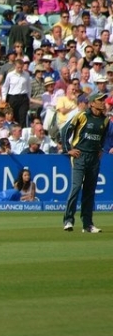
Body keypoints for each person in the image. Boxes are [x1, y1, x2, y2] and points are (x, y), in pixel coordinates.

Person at [62, 93, 109, 233]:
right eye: (99, 100)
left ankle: (87, 224)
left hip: (94, 157)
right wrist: (68, 149)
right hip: (79, 155)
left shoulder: (105, 120)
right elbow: (65, 131)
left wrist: (101, 148)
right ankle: (68, 220)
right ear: (92, 103)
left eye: (103, 100)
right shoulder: (82, 116)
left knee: (89, 191)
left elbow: (104, 136)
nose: (102, 102)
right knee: (76, 187)